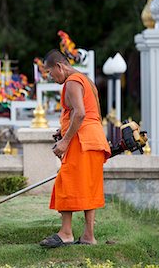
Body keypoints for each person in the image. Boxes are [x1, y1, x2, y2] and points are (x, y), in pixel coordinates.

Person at [39, 49, 111, 248]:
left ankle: (66, 233)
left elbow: (80, 114)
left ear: (59, 67)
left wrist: (64, 141)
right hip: (95, 140)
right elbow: (90, 113)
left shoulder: (71, 82)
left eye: (49, 72)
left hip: (82, 140)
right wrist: (63, 130)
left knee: (65, 182)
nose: (50, 77)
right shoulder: (86, 80)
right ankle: (88, 236)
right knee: (90, 186)